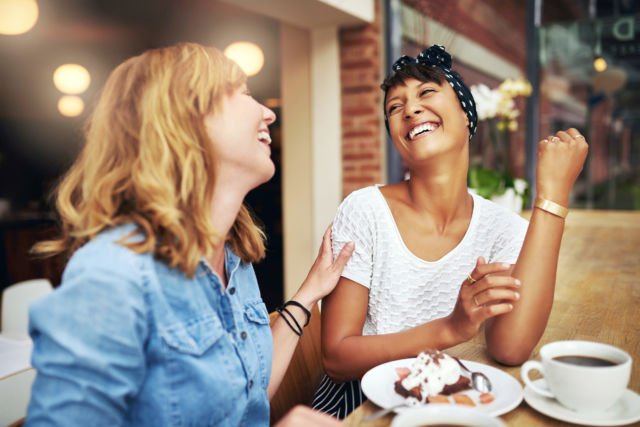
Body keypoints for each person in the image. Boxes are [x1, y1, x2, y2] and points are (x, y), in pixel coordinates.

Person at [25, 42, 353, 427]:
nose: (268, 113)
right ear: (188, 119)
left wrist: (309, 291)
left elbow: (246, 395)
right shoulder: (113, 276)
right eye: (245, 94)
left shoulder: (233, 257)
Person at [311, 45, 589, 418]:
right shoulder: (364, 210)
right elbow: (336, 357)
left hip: (451, 405)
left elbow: (511, 349)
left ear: (467, 115)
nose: (410, 109)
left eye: (426, 93)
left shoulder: (503, 229)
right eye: (395, 107)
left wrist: (552, 196)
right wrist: (453, 327)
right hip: (357, 407)